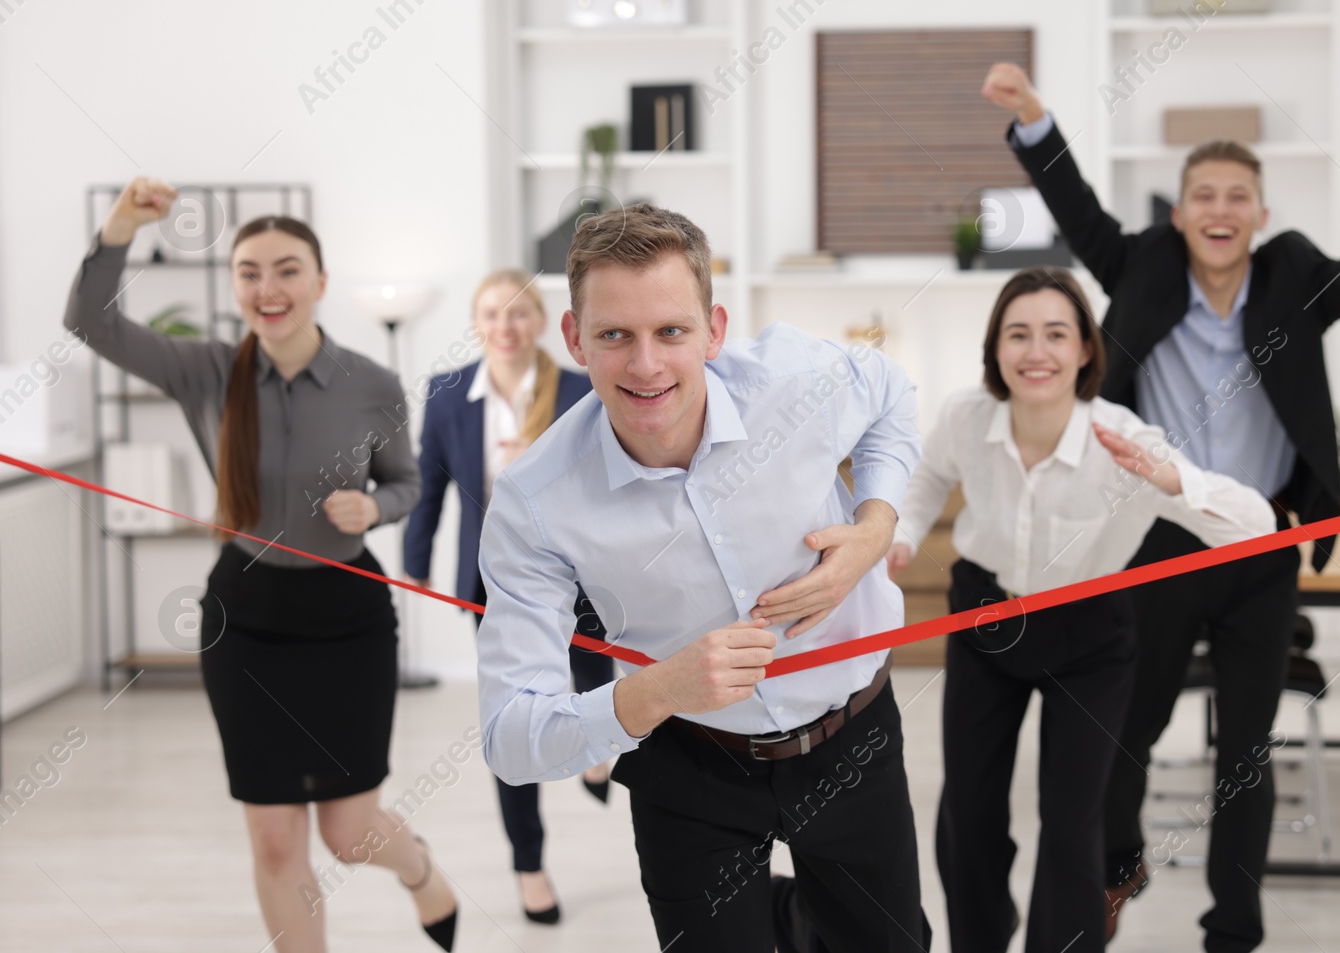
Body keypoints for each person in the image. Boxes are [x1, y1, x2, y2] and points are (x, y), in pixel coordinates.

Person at [981, 62, 1340, 952]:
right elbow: (1079, 208)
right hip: (1157, 543)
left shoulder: (1291, 276)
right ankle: (1117, 863)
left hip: (1259, 543)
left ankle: (1233, 930)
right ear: (1178, 214)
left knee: (1245, 754)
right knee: (1129, 730)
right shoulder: (1140, 264)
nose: (1219, 209)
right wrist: (1033, 121)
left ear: (1261, 214)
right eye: (1202, 194)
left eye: (1237, 195)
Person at [474, 203, 931, 952]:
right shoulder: (535, 502)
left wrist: (876, 526)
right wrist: (655, 691)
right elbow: (508, 737)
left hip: (852, 736)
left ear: (715, 330)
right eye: (615, 334)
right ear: (573, 339)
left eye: (671, 332)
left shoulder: (795, 379)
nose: (646, 364)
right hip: (686, 763)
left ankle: (797, 915)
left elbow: (891, 395)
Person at [64, 179, 459, 953]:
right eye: (249, 271)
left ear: (319, 282)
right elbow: (89, 320)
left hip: (348, 622)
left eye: (285, 269)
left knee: (349, 834)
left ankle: (420, 871)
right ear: (236, 284)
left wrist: (374, 509)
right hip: (244, 621)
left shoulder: (372, 386)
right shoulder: (204, 370)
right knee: (277, 843)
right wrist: (119, 227)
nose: (267, 288)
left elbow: (408, 481)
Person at [888, 267, 1275, 953]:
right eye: (1019, 334)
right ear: (996, 349)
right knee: (968, 812)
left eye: (1056, 334)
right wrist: (903, 536)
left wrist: (1172, 479)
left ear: (1086, 350)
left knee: (1073, 823)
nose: (1037, 351)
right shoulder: (966, 414)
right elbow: (926, 479)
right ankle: (981, 936)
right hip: (987, 619)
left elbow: (1258, 527)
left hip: (1090, 631)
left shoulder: (1122, 437)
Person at [402, 268, 615, 924]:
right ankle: (529, 863)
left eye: (519, 313)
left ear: (543, 322)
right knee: (514, 718)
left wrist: (541, 463)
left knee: (591, 676)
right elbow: (429, 484)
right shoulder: (447, 396)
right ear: (476, 323)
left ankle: (596, 752)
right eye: (492, 314)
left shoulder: (582, 388)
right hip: (495, 583)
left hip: (583, 575)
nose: (506, 326)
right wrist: (415, 563)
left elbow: (616, 475)